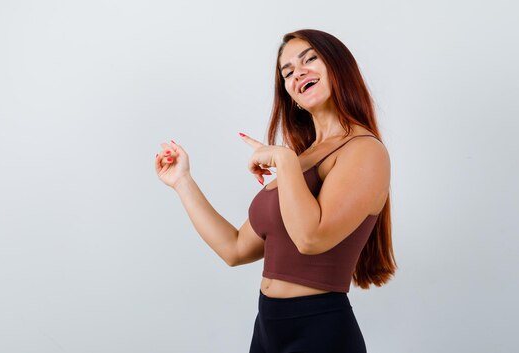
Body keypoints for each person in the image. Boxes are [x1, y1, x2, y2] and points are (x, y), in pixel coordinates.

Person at [154, 29, 396, 353]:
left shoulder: (364, 150)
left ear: (339, 66)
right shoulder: (305, 157)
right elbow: (235, 249)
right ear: (289, 93)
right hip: (267, 329)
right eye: (288, 72)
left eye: (310, 59)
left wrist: (283, 159)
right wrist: (183, 182)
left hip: (320, 332)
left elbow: (311, 239)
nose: (299, 73)